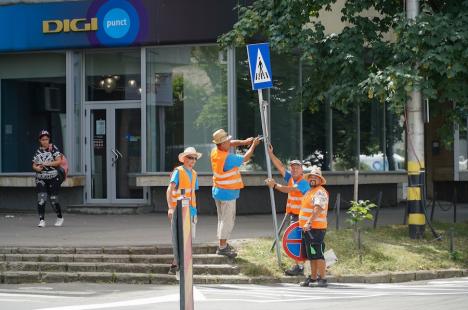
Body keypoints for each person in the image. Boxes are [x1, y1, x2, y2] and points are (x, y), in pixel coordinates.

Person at [211, 129, 261, 258]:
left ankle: (222, 244)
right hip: (228, 194)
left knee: (222, 220)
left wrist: (244, 142)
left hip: (218, 190)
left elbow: (231, 143)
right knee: (227, 221)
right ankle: (222, 247)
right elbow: (245, 158)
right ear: (222, 144)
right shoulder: (228, 158)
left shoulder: (215, 152)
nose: (229, 142)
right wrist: (253, 145)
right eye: (227, 141)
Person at [265, 144, 310, 276]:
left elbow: (289, 190)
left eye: (297, 168)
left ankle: (300, 266)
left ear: (302, 170)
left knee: (298, 241)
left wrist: (274, 185)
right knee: (297, 240)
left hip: (302, 217)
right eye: (293, 168)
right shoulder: (290, 178)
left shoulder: (303, 182)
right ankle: (301, 265)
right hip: (293, 215)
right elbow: (280, 167)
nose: (295, 170)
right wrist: (271, 154)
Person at [166, 147, 202, 275]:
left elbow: (192, 193)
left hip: (191, 211)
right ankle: (179, 266)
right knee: (181, 239)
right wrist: (170, 207)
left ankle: (176, 264)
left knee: (189, 239)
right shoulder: (178, 171)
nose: (193, 160)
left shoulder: (194, 174)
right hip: (179, 210)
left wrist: (195, 211)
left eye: (195, 158)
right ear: (184, 159)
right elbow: (170, 189)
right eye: (190, 157)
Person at [298, 166, 329, 287]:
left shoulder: (320, 191)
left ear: (320, 180)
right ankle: (313, 278)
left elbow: (317, 209)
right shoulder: (310, 192)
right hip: (308, 229)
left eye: (316, 177)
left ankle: (322, 279)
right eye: (311, 176)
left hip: (315, 229)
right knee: (311, 255)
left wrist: (309, 222)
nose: (313, 179)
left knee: (317, 254)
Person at [32, 130, 65, 228]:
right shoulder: (38, 151)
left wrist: (47, 163)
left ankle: (59, 217)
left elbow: (59, 161)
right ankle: (41, 220)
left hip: (53, 177)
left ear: (49, 139)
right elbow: (34, 164)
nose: (45, 141)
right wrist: (36, 168)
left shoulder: (53, 148)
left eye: (46, 139)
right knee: (41, 198)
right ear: (40, 140)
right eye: (43, 139)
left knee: (53, 199)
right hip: (41, 178)